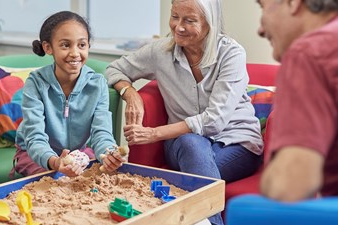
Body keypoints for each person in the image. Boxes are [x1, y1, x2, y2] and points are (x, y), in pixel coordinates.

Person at [106, 0, 263, 224]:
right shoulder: (160, 52)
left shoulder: (231, 54)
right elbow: (115, 68)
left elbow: (214, 121)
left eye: (189, 20)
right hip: (182, 145)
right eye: (174, 17)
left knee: (194, 170)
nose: (178, 27)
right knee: (191, 144)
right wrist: (131, 94)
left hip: (236, 144)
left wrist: (153, 134)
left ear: (211, 23)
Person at [257, 0, 338, 201]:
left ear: (294, 3)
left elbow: (287, 187)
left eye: (262, 7)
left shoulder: (309, 52)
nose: (260, 30)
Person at [11, 11, 125, 178]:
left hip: (76, 153)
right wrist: (55, 162)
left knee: (99, 177)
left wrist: (109, 154)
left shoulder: (97, 84)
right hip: (35, 154)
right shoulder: (35, 83)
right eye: (65, 45)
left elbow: (102, 132)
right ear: (48, 47)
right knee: (56, 179)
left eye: (82, 45)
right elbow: (34, 136)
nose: (75, 53)